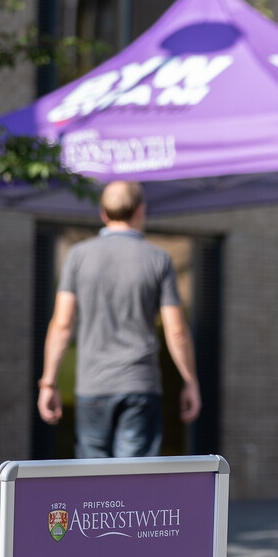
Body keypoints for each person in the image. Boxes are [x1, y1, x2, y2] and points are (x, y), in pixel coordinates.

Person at [37, 180, 201, 457]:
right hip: (139, 384)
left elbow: (62, 324)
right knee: (134, 483)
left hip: (92, 386)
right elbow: (176, 331)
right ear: (140, 211)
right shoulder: (158, 259)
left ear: (103, 214)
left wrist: (48, 382)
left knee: (93, 484)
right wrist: (190, 381)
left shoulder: (77, 256)